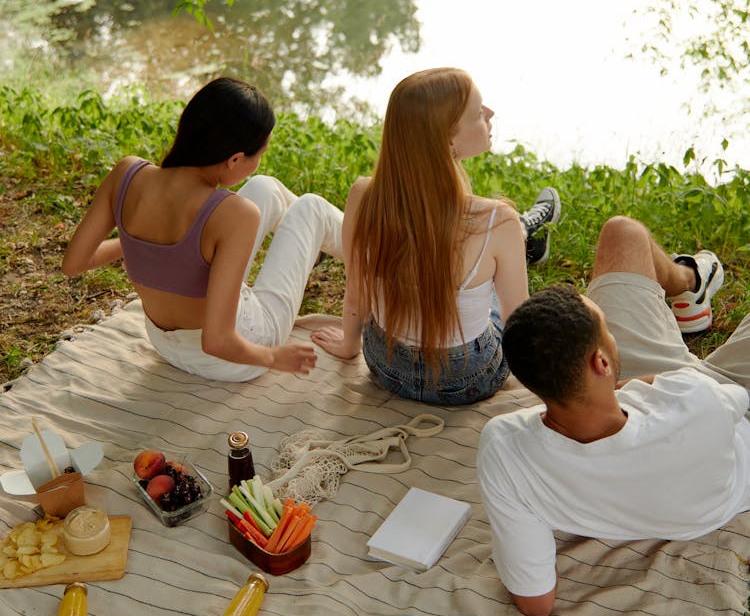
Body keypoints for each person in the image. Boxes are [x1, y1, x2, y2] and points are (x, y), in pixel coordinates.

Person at [477, 216, 750, 616]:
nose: (611, 327)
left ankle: (693, 287)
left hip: (657, 398)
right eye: (606, 327)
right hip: (722, 406)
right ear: (602, 360)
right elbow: (734, 398)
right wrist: (657, 387)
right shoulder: (695, 400)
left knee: (623, 235)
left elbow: (537, 602)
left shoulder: (502, 445)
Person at [63, 76, 343, 381]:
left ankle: (309, 251)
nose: (260, 161)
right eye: (260, 154)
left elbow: (74, 263)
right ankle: (384, 252)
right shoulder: (234, 214)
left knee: (264, 187)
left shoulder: (127, 173)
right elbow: (217, 341)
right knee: (311, 207)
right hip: (232, 358)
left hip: (164, 343)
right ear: (235, 158)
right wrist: (273, 357)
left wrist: (139, 241)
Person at [311, 67, 561, 405]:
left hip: (386, 367)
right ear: (447, 138)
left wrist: (348, 347)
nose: (490, 114)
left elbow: (357, 291)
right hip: (468, 378)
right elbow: (517, 322)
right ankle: (526, 233)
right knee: (492, 282)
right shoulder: (495, 219)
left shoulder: (364, 194)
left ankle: (526, 233)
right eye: (477, 112)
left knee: (488, 256)